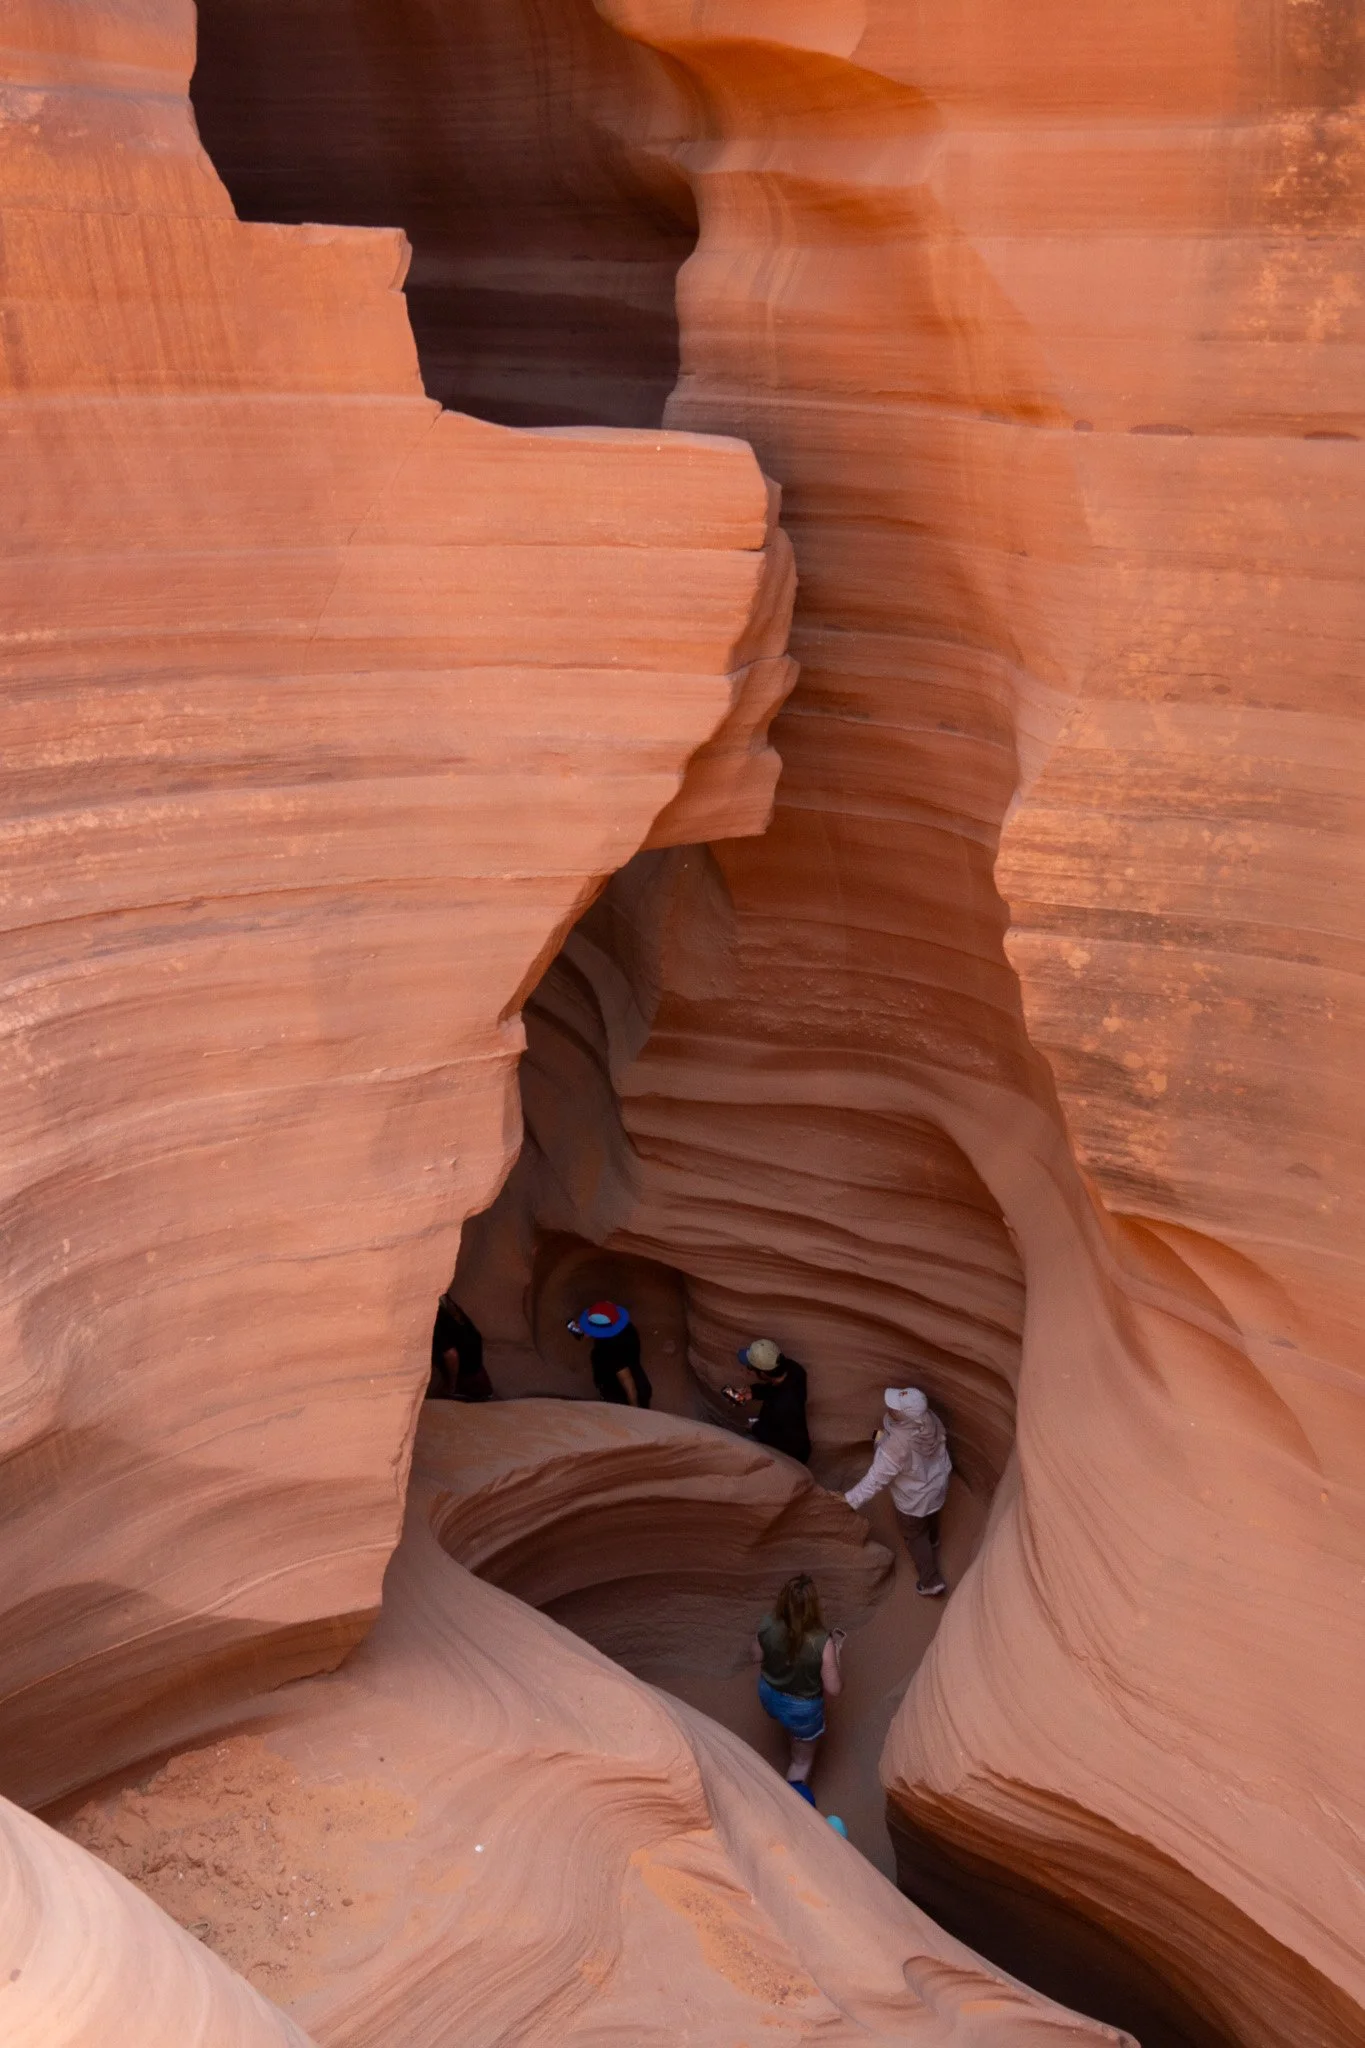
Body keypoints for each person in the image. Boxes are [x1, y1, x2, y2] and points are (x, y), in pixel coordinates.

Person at [843, 1386, 952, 1596]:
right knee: (931, 1512)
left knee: (914, 1534)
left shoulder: (895, 1447)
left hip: (914, 1496)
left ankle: (930, 1581)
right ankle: (933, 1538)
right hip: (937, 1482)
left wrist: (849, 1500)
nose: (889, 1408)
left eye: (895, 1408)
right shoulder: (930, 1419)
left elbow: (875, 1480)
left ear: (905, 1416)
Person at [753, 1573, 843, 1804]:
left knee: (787, 1722)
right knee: (801, 1761)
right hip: (801, 1709)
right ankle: (790, 1807)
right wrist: (836, 1654)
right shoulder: (823, 1644)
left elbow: (756, 1655)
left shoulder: (767, 1624)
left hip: (769, 1694)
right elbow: (834, 1688)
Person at [722, 1337, 811, 1463]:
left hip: (791, 1455)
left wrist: (754, 1427)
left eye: (751, 1368)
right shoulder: (795, 1370)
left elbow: (784, 1441)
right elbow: (779, 1389)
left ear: (764, 1374)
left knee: (742, 1449)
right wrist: (753, 1392)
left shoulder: (782, 1406)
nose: (749, 1370)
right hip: (795, 1437)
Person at [568, 1300, 652, 1408]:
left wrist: (634, 1406)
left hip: (622, 1393)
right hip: (639, 1379)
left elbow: (627, 1380)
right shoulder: (627, 1328)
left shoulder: (610, 1348)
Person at [428, 1292, 493, 1402]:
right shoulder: (448, 1302)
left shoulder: (435, 1316)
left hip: (467, 1382)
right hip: (477, 1373)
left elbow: (451, 1355)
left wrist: (451, 1387)